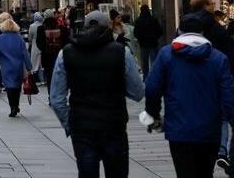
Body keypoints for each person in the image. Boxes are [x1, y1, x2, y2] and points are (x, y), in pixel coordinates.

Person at [50, 11, 145, 178]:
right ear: (108, 27)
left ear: (84, 27)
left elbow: (56, 99)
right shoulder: (121, 52)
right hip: (113, 124)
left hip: (82, 126)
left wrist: (70, 124)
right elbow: (137, 92)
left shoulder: (66, 53)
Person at [142, 13, 234, 178]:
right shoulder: (218, 59)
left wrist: (153, 115)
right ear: (202, 33)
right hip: (209, 129)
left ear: (179, 31)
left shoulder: (166, 55)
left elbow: (152, 88)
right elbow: (229, 96)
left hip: (179, 129)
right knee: (205, 173)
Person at [0, 18, 31, 117]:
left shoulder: (0, 38)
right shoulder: (19, 38)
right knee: (17, 86)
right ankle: (16, 105)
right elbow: (25, 53)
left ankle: (12, 106)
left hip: (5, 65)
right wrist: (29, 66)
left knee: (9, 86)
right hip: (18, 65)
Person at [36, 11, 70, 95]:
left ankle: (50, 95)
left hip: (47, 56)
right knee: (60, 75)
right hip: (59, 55)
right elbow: (66, 41)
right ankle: (59, 93)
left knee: (49, 76)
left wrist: (44, 49)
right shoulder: (61, 28)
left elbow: (39, 43)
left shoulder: (41, 28)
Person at [28, 12, 43, 81]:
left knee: (34, 61)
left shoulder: (32, 26)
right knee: (41, 61)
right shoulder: (43, 25)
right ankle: (42, 77)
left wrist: (30, 44)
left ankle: (35, 77)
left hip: (34, 44)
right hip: (42, 44)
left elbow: (29, 38)